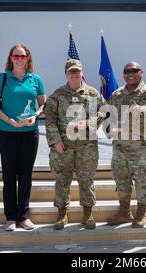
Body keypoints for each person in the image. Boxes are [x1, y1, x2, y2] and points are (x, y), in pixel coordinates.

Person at [0, 44, 46, 231]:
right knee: (9, 175)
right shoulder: (2, 78)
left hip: (30, 133)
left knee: (26, 175)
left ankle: (23, 216)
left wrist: (35, 115)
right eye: (16, 56)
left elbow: (43, 105)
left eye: (23, 56)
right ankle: (11, 217)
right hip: (7, 133)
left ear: (28, 58)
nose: (20, 59)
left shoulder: (35, 79)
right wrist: (8, 120)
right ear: (11, 58)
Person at [45, 59, 106, 230]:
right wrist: (55, 140)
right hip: (63, 146)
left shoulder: (92, 94)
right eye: (71, 72)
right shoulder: (57, 95)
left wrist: (89, 122)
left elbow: (103, 112)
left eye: (77, 71)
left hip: (87, 146)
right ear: (66, 74)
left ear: (82, 73)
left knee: (86, 180)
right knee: (62, 181)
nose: (74, 75)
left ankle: (88, 214)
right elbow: (49, 119)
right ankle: (62, 214)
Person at [105, 62, 146, 228]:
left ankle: (141, 213)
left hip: (142, 148)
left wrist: (142, 110)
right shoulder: (116, 95)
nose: (131, 74)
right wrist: (109, 130)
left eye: (134, 71)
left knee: (143, 182)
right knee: (121, 181)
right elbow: (107, 117)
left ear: (141, 72)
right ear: (123, 74)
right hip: (120, 148)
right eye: (127, 71)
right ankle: (124, 212)